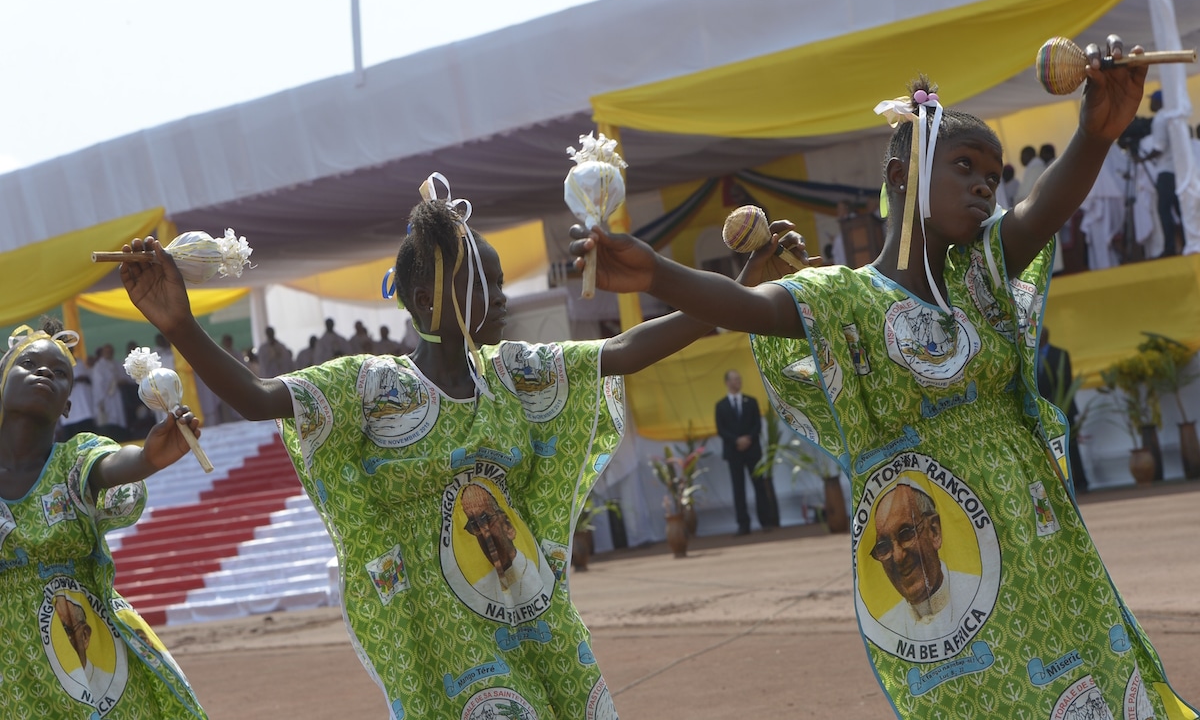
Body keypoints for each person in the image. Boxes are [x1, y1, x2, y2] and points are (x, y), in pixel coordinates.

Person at [574, 40, 1194, 717]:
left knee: (1086, 681)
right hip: (947, 564)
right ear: (901, 175)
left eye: (994, 173)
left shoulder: (982, 271)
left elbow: (1043, 209)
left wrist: (1095, 133)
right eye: (964, 167)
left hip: (1040, 538)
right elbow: (747, 306)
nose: (987, 185)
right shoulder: (842, 297)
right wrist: (659, 274)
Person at [117, 177, 731, 719]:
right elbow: (254, 395)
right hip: (441, 625)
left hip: (531, 607)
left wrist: (735, 297)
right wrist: (180, 326)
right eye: (483, 284)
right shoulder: (371, 385)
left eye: (498, 281)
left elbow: (623, 351)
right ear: (429, 300)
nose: (502, 297)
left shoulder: (512, 373)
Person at [0, 319, 206, 718]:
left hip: (90, 657)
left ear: (68, 405)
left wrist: (147, 458)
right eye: (28, 364)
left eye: (60, 373)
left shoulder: (75, 460)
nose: (45, 372)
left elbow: (111, 466)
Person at [869, 481, 980, 642]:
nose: (898, 557)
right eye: (883, 547)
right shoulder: (886, 628)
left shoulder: (979, 594)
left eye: (906, 534)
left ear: (934, 531)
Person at [714, 369, 778, 535]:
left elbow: (757, 425)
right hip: (733, 452)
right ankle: (743, 524)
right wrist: (736, 440)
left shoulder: (751, 401)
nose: (737, 382)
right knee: (738, 488)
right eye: (734, 379)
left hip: (752, 451)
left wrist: (747, 439)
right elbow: (721, 430)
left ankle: (765, 521)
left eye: (739, 379)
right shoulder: (721, 406)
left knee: (759, 486)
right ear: (727, 383)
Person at [1037, 327, 1089, 492]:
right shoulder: (1030, 357)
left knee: (1071, 447)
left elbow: (1065, 381)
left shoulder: (1060, 354)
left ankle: (1081, 482)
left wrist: (1054, 402)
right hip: (1042, 409)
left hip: (1063, 407)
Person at [1147, 89, 1184, 255]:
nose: (1150, 104)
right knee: (1180, 209)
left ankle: (1169, 247)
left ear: (1159, 102)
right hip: (1177, 169)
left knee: (1164, 209)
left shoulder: (1160, 119)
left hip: (1165, 171)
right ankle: (1186, 242)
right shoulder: (1172, 116)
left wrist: (1144, 158)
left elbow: (1159, 147)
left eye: (1152, 101)